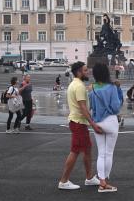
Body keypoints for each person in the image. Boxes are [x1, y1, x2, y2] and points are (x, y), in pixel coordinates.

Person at [58, 61, 102, 191]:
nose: (87, 72)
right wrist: (93, 124)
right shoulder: (79, 86)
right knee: (75, 151)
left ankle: (89, 177)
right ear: (78, 72)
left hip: (78, 122)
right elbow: (83, 108)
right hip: (78, 123)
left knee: (87, 149)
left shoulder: (75, 84)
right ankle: (64, 181)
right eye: (85, 70)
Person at [88, 63, 122, 192]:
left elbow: (90, 107)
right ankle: (105, 181)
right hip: (111, 122)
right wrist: (118, 90)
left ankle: (101, 180)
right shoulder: (112, 87)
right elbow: (116, 107)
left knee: (101, 153)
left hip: (97, 122)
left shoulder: (92, 89)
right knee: (109, 153)